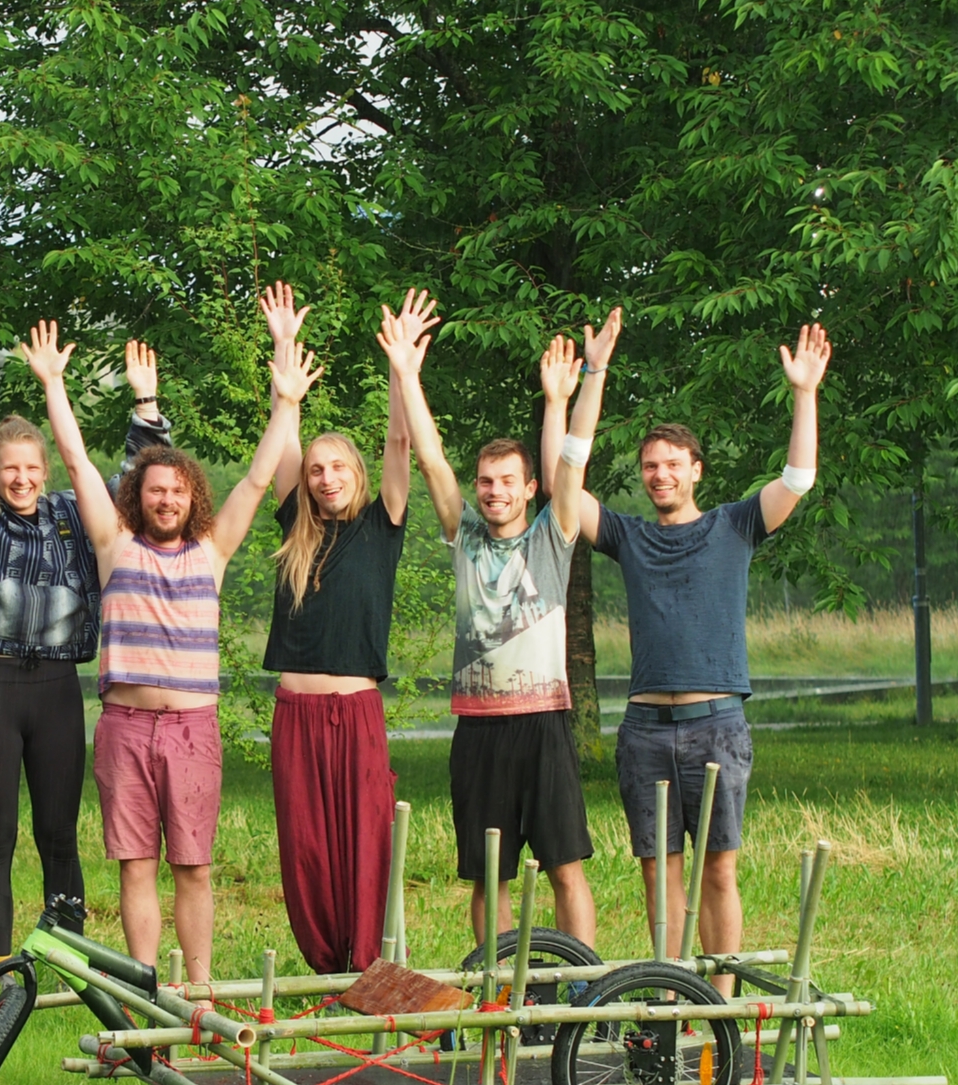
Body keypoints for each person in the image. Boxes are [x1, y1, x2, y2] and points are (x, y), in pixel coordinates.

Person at [551, 319, 831, 988]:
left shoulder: (733, 524)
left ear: (696, 470)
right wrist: (590, 381)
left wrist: (804, 393)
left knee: (718, 867)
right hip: (646, 729)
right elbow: (565, 487)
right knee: (658, 869)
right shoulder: (629, 535)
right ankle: (672, 991)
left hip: (717, 724)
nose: (660, 474)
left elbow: (797, 477)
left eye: (673, 464)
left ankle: (719, 1007)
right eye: (650, 466)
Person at [35, 326, 316, 985]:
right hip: (125, 729)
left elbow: (253, 479)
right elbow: (76, 462)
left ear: (193, 497)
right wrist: (53, 385)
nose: (167, 498)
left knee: (192, 865)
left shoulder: (210, 550)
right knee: (136, 864)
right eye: (155, 489)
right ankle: (143, 988)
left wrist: (285, 403)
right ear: (139, 496)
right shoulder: (114, 543)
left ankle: (197, 985)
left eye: (178, 491)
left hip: (193, 732)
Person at [0, 284, 171, 964]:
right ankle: (0, 964)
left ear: (44, 471)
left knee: (59, 831)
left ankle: (72, 960)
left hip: (57, 689)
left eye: (32, 469)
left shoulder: (69, 514)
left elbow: (133, 480)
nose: (21, 479)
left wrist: (146, 406)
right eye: (10, 469)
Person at [382, 291, 610, 950]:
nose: (494, 490)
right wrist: (407, 373)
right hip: (479, 730)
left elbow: (574, 459)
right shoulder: (467, 532)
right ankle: (493, 987)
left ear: (529, 488)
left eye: (507, 480)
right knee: (489, 878)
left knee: (566, 869)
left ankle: (581, 990)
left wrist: (573, 389)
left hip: (544, 723)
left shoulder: (555, 532)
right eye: (486, 480)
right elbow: (428, 459)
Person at [258, 281, 410, 975]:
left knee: (364, 842)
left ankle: (367, 966)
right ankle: (326, 968)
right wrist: (284, 352)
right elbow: (283, 435)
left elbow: (400, 440)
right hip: (296, 712)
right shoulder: (296, 525)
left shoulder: (383, 526)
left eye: (337, 466)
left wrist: (400, 369)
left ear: (357, 472)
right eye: (316, 469)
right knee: (307, 844)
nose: (324, 477)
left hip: (357, 711)